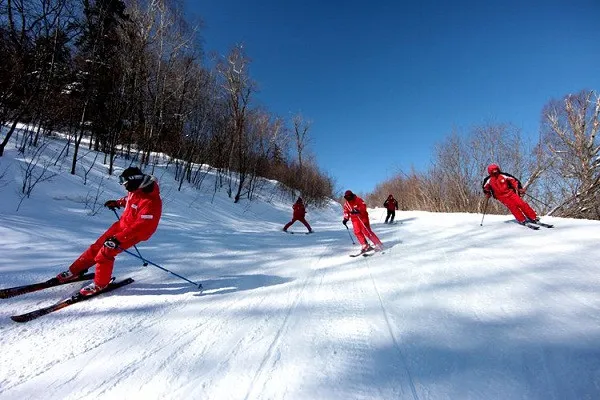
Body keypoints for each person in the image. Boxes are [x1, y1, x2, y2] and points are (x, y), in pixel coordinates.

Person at [56, 167, 162, 296]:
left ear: (134, 181)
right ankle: (76, 270)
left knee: (106, 251)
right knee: (97, 246)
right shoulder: (135, 189)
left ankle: (100, 284)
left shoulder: (152, 202)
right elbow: (130, 199)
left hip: (135, 232)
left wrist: (118, 238)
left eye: (125, 183)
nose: (124, 186)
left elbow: (142, 226)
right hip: (122, 225)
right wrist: (118, 203)